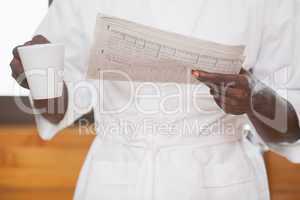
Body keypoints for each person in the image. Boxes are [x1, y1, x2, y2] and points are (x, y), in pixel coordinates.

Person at [10, 0, 300, 199]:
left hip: (220, 182)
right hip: (116, 177)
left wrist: (254, 99)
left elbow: (291, 130)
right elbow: (57, 110)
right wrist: (39, 78)